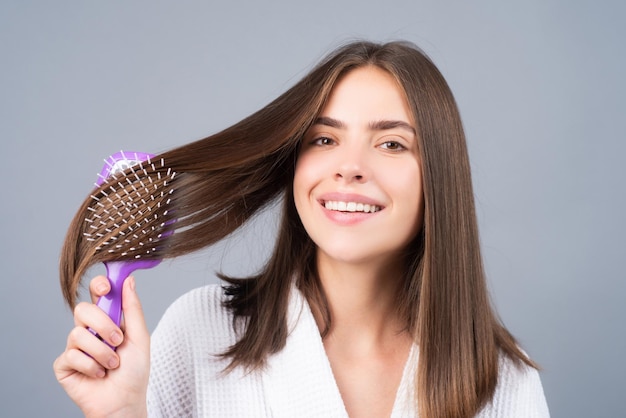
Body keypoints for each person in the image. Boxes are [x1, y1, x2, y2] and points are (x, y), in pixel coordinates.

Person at [53, 40, 550, 417]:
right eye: (324, 138)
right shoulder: (199, 334)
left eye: (392, 144)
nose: (349, 167)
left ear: (439, 175)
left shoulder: (504, 383)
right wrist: (122, 414)